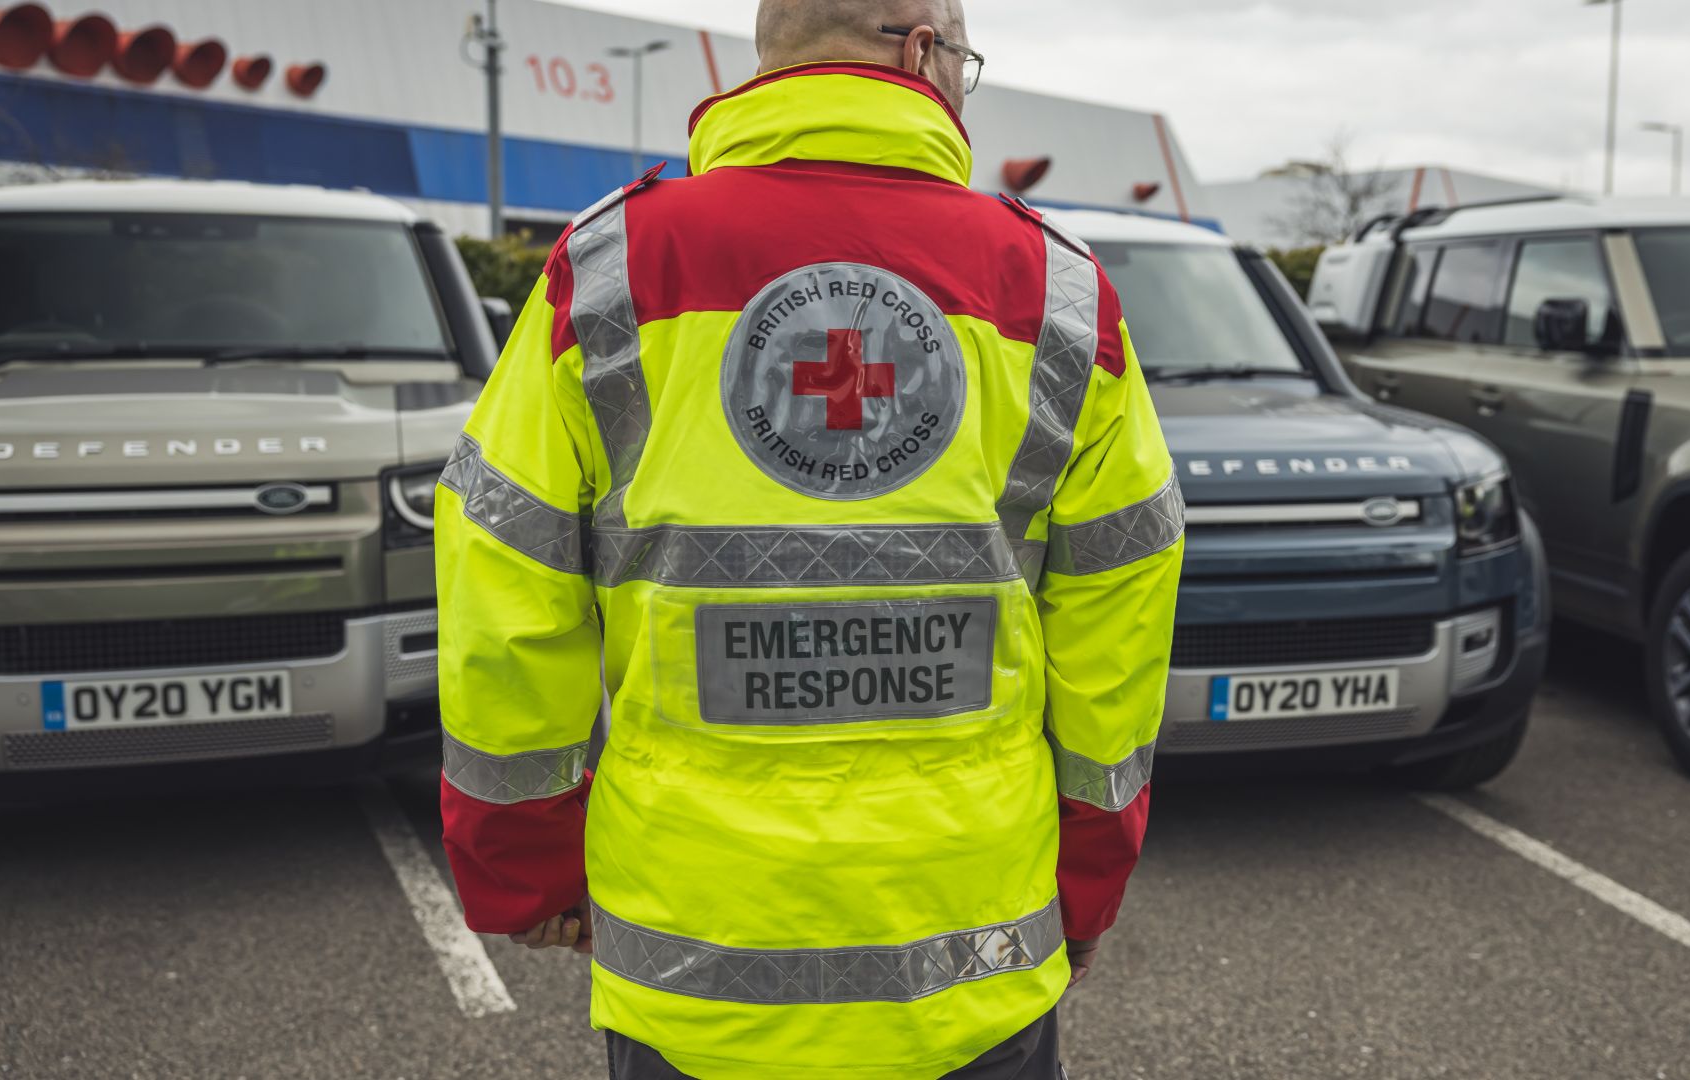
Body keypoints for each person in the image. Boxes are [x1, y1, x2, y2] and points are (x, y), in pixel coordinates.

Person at [434, 1, 1182, 1076]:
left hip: (695, 955)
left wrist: (521, 864)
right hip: (969, 949)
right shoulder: (1057, 291)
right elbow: (1120, 605)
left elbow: (505, 572)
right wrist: (1091, 879)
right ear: (924, 51)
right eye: (962, 59)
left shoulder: (610, 269)